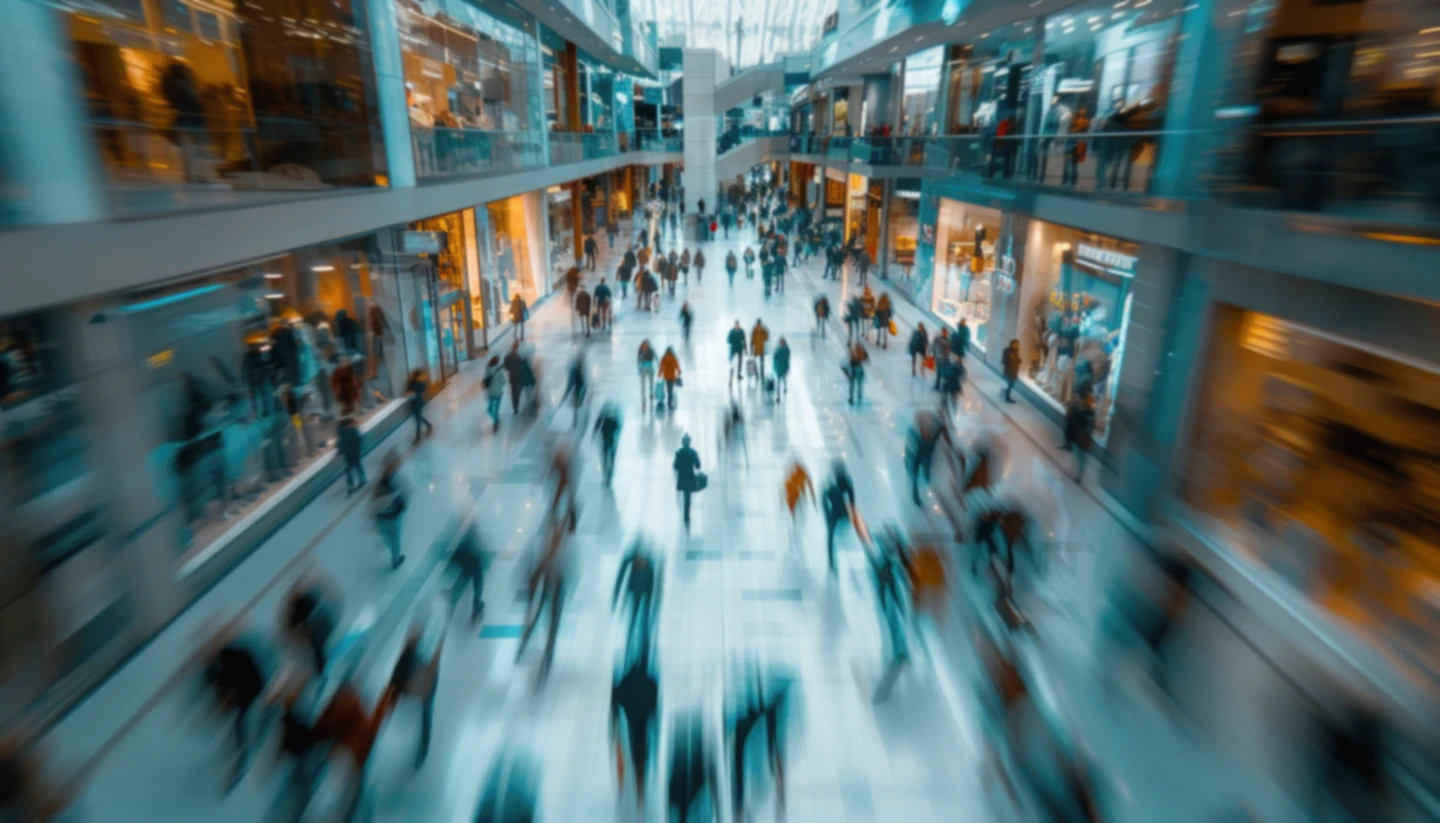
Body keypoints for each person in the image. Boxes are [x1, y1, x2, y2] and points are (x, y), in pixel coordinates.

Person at [611, 648, 660, 812]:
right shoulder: (651, 682)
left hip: (630, 722)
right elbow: (655, 709)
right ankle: (640, 793)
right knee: (641, 756)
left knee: (630, 752)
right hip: (643, 725)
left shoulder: (627, 681)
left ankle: (625, 787)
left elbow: (617, 699)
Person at [447, 521, 487, 625]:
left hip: (467, 567)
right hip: (474, 565)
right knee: (477, 588)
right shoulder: (466, 544)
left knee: (458, 589)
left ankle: (450, 608)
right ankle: (477, 608)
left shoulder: (459, 549)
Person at [371, 452, 407, 568]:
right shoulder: (389, 481)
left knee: (389, 538)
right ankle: (395, 559)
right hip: (392, 516)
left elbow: (374, 502)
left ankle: (394, 554)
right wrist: (401, 506)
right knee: (395, 539)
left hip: (382, 518)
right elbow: (396, 498)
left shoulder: (380, 482)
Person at [821, 461, 856, 573]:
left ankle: (831, 562)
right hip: (841, 512)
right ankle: (831, 562)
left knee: (830, 537)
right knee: (831, 537)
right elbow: (851, 498)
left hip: (834, 513)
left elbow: (824, 500)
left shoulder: (831, 484)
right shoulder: (846, 481)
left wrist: (827, 513)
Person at [1060, 393, 1096, 483]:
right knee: (1082, 460)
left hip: (1079, 439)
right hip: (1086, 441)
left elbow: (1074, 422)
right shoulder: (1091, 416)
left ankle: (1074, 474)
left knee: (1076, 457)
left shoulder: (1082, 414)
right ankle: (1079, 476)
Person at [673, 434, 703, 529]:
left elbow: (676, 466)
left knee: (686, 494)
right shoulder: (693, 453)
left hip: (682, 477)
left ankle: (686, 515)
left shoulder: (679, 453)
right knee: (688, 495)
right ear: (690, 442)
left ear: (682, 442)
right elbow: (698, 466)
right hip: (690, 476)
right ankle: (687, 515)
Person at [593, 402, 622, 486]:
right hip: (612, 442)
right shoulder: (613, 420)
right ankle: (610, 473)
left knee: (605, 458)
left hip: (605, 442)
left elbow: (596, 428)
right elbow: (618, 427)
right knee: (611, 459)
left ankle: (606, 474)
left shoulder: (602, 419)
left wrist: (594, 437)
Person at [560, 353, 588, 428]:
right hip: (578, 388)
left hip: (578, 388)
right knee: (576, 406)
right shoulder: (576, 368)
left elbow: (571, 384)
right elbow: (573, 383)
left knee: (576, 405)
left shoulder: (576, 368)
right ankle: (576, 420)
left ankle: (576, 419)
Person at [406, 369, 433, 443]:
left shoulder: (421, 384)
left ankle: (418, 436)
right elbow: (409, 391)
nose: (424, 377)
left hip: (418, 402)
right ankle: (428, 425)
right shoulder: (413, 383)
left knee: (418, 419)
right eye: (422, 376)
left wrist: (408, 393)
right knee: (418, 416)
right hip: (413, 402)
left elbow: (411, 391)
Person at [503, 342, 526, 415]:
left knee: (513, 393)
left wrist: (511, 369)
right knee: (518, 392)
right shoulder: (520, 356)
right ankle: (516, 405)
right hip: (520, 377)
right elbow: (524, 365)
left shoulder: (508, 356)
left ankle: (515, 407)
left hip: (512, 377)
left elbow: (505, 366)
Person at [638, 340, 658, 408]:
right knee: (650, 382)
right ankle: (650, 393)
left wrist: (639, 368)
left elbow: (639, 359)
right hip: (649, 367)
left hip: (644, 368)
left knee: (644, 382)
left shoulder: (642, 350)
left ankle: (645, 394)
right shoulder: (649, 350)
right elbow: (656, 357)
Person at [1002, 339, 1022, 403]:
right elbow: (1003, 361)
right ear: (1011, 344)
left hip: (1014, 371)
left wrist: (1018, 360)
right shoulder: (1007, 351)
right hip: (1009, 371)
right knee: (1011, 385)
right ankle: (1007, 397)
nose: (1016, 346)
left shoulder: (1016, 351)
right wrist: (1010, 358)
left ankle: (1006, 391)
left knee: (1012, 385)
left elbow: (1017, 360)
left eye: (1017, 345)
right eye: (1015, 344)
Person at [727, 320, 746, 386]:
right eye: (736, 324)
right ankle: (730, 380)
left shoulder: (741, 331)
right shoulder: (732, 332)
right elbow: (728, 340)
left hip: (740, 349)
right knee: (732, 365)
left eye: (738, 324)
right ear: (735, 325)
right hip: (733, 350)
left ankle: (738, 374)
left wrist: (745, 349)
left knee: (740, 362)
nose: (737, 326)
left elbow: (744, 340)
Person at [750, 319, 769, 383]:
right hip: (761, 349)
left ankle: (756, 375)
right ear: (760, 323)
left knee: (755, 363)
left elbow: (752, 339)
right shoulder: (763, 329)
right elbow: (766, 338)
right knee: (762, 363)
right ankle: (761, 374)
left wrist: (751, 348)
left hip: (756, 349)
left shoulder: (754, 329)